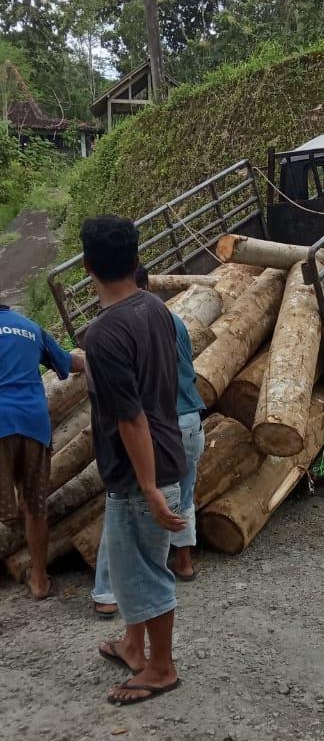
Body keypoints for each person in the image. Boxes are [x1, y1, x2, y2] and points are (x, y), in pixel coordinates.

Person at [81, 215, 187, 705]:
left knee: (144, 571)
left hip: (141, 470)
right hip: (165, 454)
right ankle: (132, 644)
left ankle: (161, 668)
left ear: (87, 266)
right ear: (136, 259)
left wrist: (146, 486)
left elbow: (131, 418)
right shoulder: (156, 309)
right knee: (131, 566)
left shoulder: (102, 334)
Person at [92, 264, 205, 617]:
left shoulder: (116, 327)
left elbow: (131, 414)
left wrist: (148, 483)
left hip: (158, 428)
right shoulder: (167, 317)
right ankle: (183, 562)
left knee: (126, 511)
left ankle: (108, 592)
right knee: (181, 501)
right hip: (187, 423)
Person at [0, 305, 84, 599]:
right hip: (33, 423)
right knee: (35, 505)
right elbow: (67, 363)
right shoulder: (31, 327)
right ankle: (38, 579)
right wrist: (91, 362)